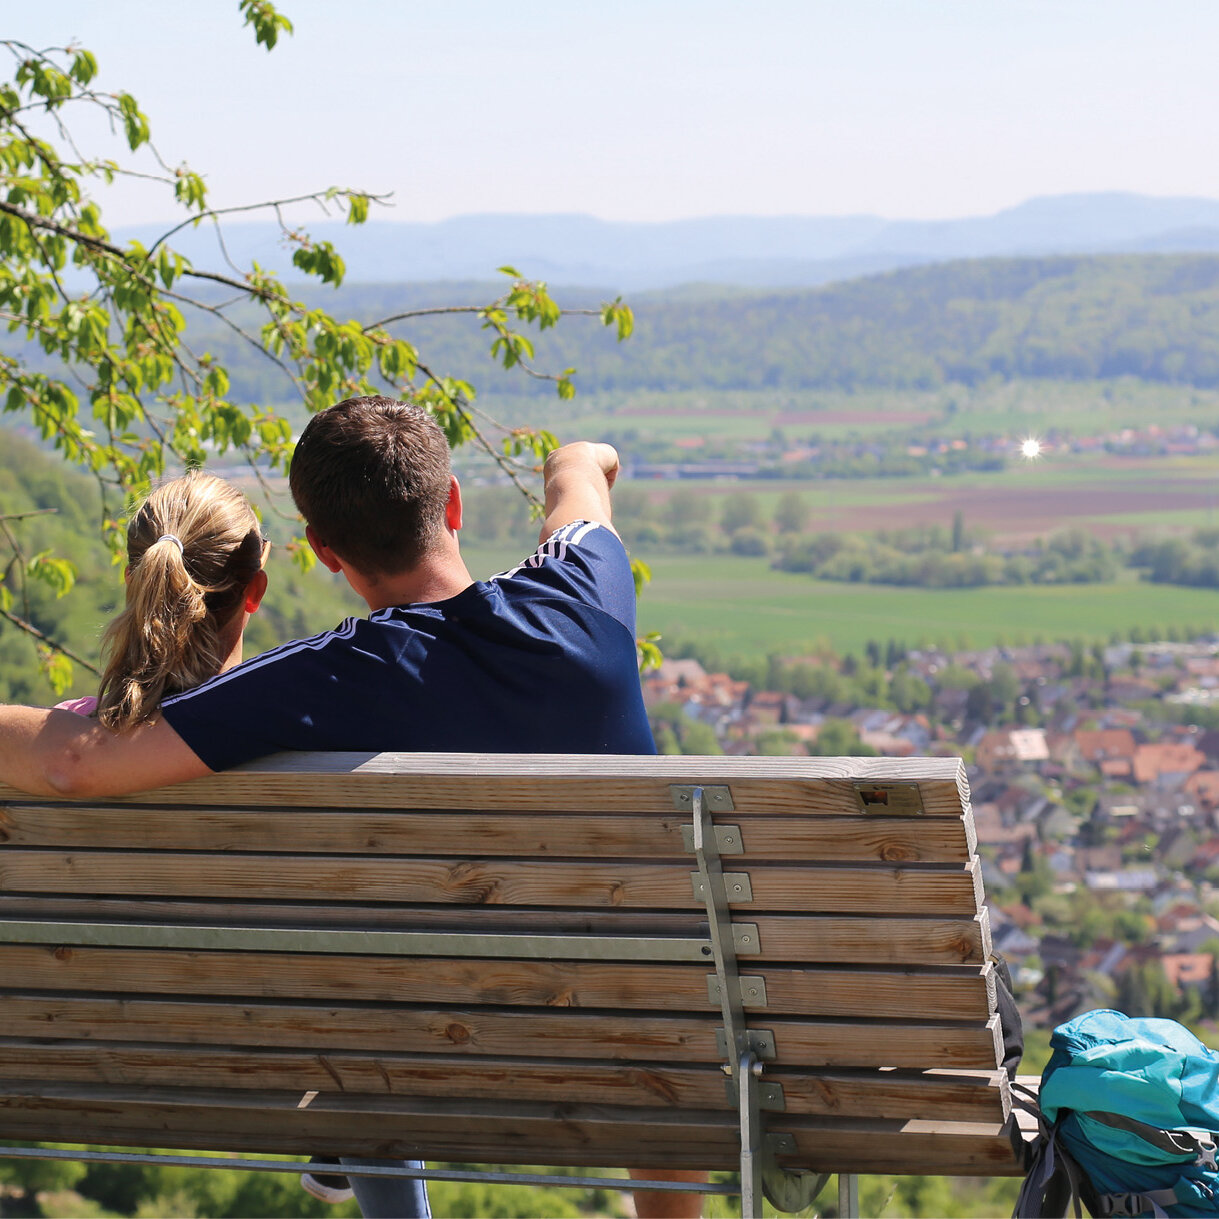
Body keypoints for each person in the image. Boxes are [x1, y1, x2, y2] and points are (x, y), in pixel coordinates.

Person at [0, 395, 671, 1217]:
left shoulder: (335, 677)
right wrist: (574, 457)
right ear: (451, 502)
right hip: (652, 1036)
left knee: (367, 992)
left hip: (430, 1048)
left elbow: (76, 762)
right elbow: (582, 473)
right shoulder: (583, 589)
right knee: (652, 1000)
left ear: (321, 551)